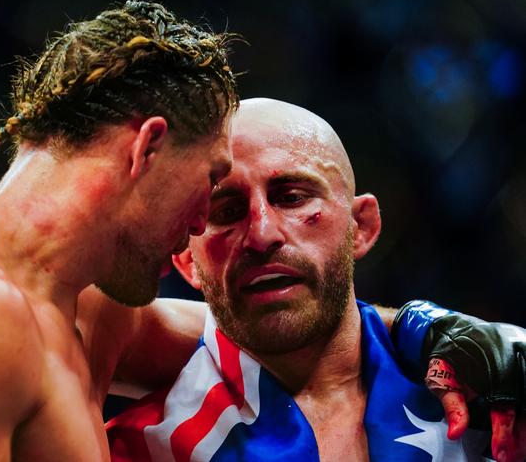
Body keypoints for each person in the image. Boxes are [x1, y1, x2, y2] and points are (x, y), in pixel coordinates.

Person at [0, 0, 238, 461]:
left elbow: (272, 336)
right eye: (209, 179)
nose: (200, 221)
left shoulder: (92, 309)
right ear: (148, 147)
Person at [104, 98, 526, 461]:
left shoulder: (496, 398)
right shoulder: (145, 450)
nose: (262, 233)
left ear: (361, 226)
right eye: (226, 211)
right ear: (186, 262)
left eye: (292, 197)